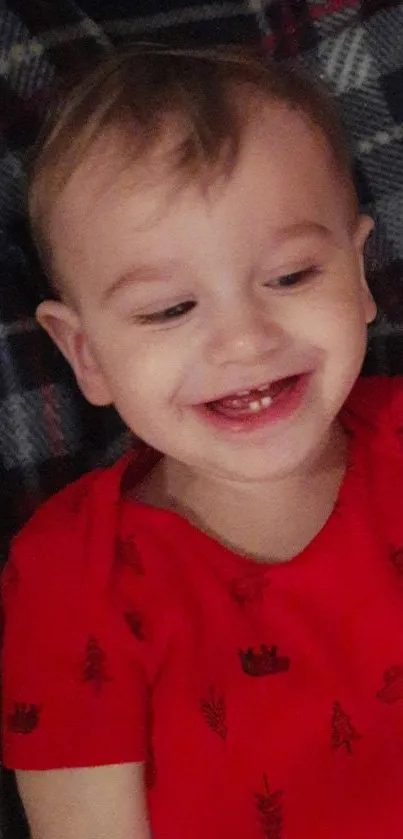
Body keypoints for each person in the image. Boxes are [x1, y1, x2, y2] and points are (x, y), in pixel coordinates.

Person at [2, 44, 403, 839]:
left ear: (358, 277)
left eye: (290, 276)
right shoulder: (70, 577)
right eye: (167, 310)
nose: (245, 340)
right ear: (85, 353)